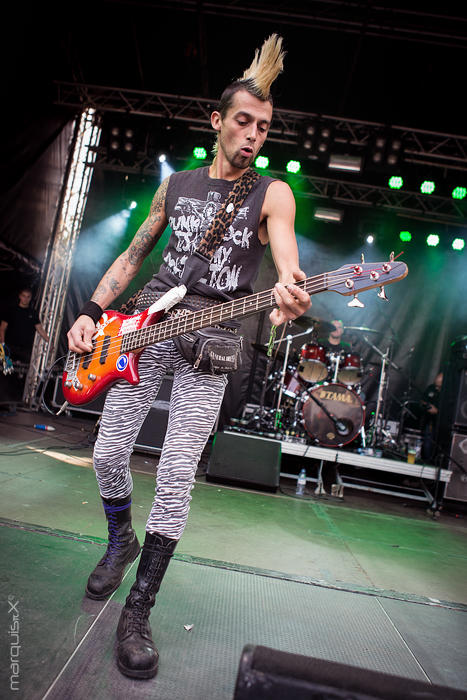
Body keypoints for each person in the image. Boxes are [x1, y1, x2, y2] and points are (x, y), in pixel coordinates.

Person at [67, 34, 311, 680]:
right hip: (144, 327)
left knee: (176, 475)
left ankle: (137, 611)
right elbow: (133, 255)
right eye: (242, 121)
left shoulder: (273, 193)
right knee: (108, 453)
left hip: (214, 338)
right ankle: (121, 539)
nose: (253, 134)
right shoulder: (174, 187)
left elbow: (286, 258)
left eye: (263, 126)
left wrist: (290, 287)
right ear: (216, 122)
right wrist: (91, 312)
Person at [0, 287, 49, 363]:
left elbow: (40, 329)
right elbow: (2, 328)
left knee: (23, 370)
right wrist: (3, 343)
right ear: (20, 296)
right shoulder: (11, 310)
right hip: (10, 346)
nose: (25, 299)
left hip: (25, 349)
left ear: (30, 298)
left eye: (28, 296)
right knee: (7, 370)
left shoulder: (33, 313)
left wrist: (49, 341)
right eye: (24, 296)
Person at [420, 371, 443, 462]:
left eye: (439, 386)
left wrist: (437, 411)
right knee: (427, 443)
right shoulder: (431, 388)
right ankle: (426, 461)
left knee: (438, 446)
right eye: (436, 385)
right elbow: (422, 400)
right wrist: (427, 405)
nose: (436, 388)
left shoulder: (450, 392)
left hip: (442, 424)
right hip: (429, 422)